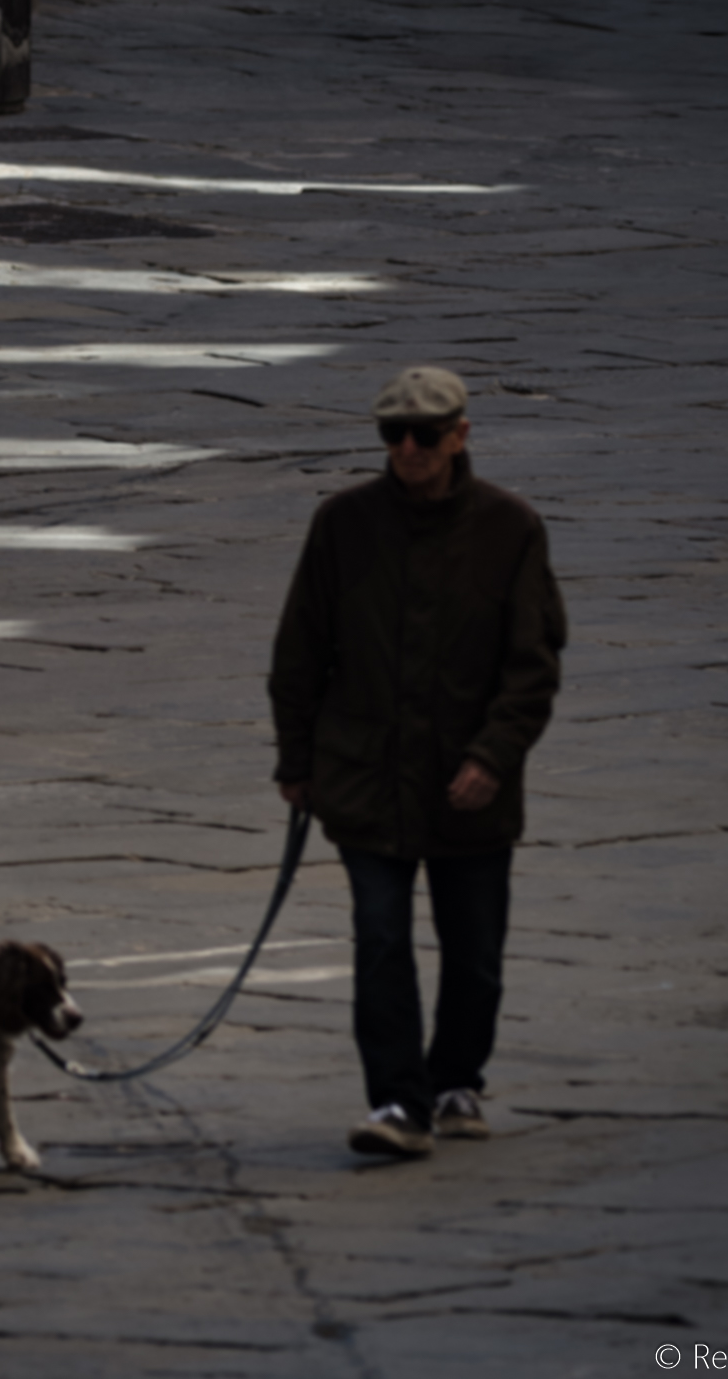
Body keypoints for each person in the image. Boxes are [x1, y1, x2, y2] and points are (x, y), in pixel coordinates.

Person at [269, 365, 565, 1158]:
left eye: (424, 435)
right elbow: (300, 649)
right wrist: (295, 759)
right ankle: (399, 1102)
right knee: (380, 942)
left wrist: (493, 757)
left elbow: (532, 664)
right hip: (364, 776)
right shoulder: (344, 524)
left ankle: (455, 1079)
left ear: (459, 435)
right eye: (392, 435)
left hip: (472, 786)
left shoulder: (510, 528)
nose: (407, 449)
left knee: (474, 956)